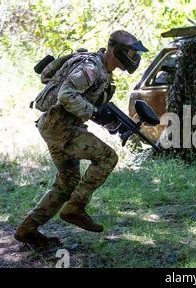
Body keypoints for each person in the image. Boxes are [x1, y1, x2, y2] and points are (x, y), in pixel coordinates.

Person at [14, 30, 148, 247]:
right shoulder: (92, 68)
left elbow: (87, 103)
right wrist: (94, 113)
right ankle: (74, 208)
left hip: (55, 126)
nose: (135, 58)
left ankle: (26, 230)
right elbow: (66, 95)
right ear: (117, 50)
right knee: (107, 158)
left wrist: (113, 121)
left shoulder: (102, 71)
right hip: (60, 128)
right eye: (132, 52)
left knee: (68, 181)